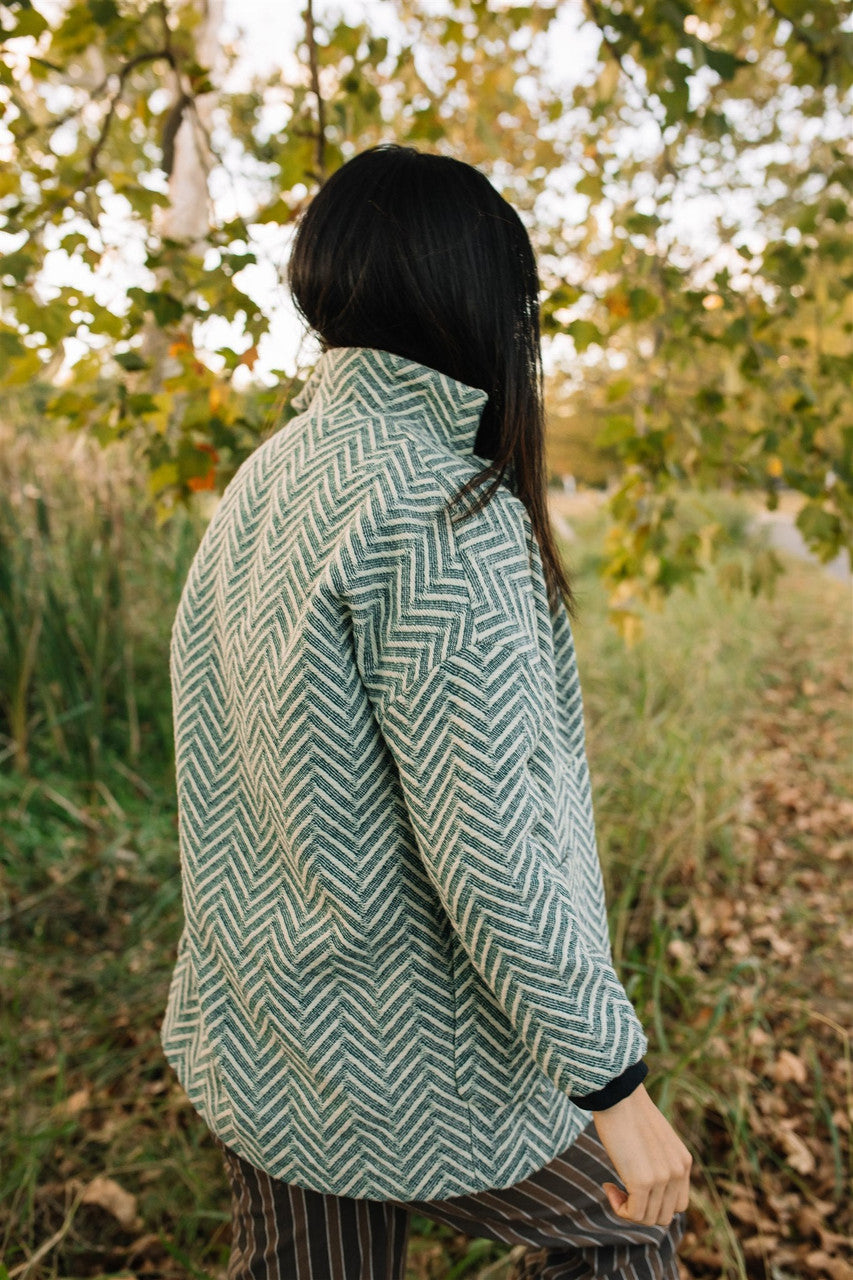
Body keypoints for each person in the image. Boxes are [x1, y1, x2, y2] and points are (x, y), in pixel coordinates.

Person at [160, 143, 692, 1279]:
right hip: (402, 1059)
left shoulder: (270, 474)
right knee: (627, 1221)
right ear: (482, 302)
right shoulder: (440, 513)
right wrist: (614, 1084)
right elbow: (496, 853)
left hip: (265, 1029)